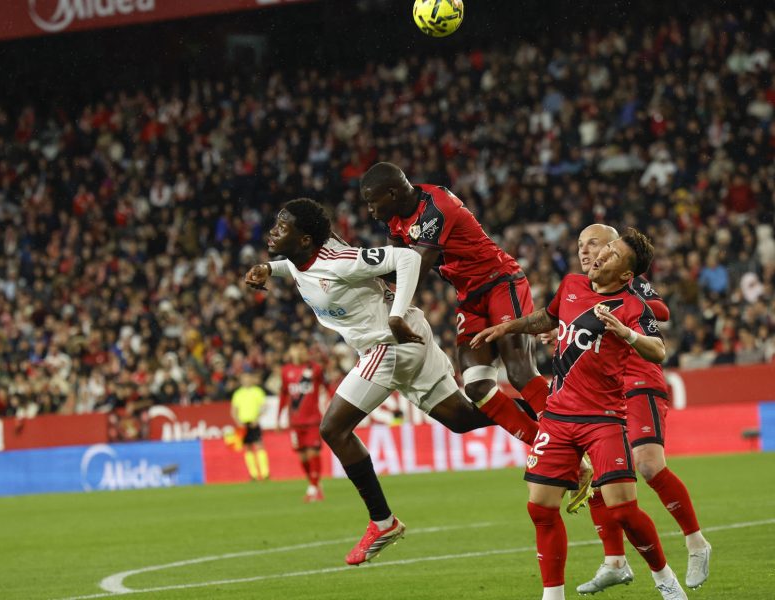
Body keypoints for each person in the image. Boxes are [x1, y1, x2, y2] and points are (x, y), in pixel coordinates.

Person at [244, 198, 523, 566]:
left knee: (333, 429)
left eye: (283, 228)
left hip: (388, 343)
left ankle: (383, 522)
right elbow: (297, 268)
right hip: (408, 338)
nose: (273, 231)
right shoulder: (303, 257)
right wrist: (269, 268)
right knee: (461, 418)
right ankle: (549, 414)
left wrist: (395, 316)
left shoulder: (338, 261)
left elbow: (406, 259)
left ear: (306, 239)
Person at [471, 228, 688, 600]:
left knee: (623, 510)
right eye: (605, 249)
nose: (600, 255)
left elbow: (658, 350)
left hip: (603, 419)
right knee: (540, 508)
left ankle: (665, 579)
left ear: (626, 274)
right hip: (557, 417)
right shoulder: (572, 284)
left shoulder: (632, 306)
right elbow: (547, 317)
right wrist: (509, 326)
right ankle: (553, 596)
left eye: (612, 253)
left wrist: (627, 334)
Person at [566, 225, 711, 594]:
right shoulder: (579, 288)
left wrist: (620, 303)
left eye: (595, 244)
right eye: (581, 245)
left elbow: (660, 311)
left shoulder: (628, 282)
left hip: (637, 378)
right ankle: (614, 561)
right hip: (601, 393)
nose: (586, 252)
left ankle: (696, 542)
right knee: (600, 476)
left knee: (648, 464)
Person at [360, 162, 545, 446]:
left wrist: (359, 269)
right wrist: (347, 261)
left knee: (520, 372)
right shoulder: (394, 219)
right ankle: (544, 446)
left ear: (393, 193)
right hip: (469, 298)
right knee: (477, 388)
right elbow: (395, 268)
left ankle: (573, 434)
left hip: (500, 283)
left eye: (372, 202)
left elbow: (413, 271)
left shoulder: (437, 206)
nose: (370, 210)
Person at [279, 342, 327, 502]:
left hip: (313, 420)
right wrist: (279, 417)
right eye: (295, 348)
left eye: (302, 348)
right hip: (295, 422)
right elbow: (283, 394)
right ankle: (315, 485)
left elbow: (326, 386)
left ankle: (312, 489)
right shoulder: (286, 371)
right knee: (303, 457)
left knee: (313, 453)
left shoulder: (315, 369)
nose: (298, 351)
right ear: (290, 351)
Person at [230, 371, 270, 481]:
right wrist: (238, 422)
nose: (246, 380)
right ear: (241, 381)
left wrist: (257, 418)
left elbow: (264, 406)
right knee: (248, 448)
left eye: (248, 378)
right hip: (243, 424)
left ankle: (265, 473)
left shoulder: (257, 391)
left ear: (251, 379)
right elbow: (234, 410)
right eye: (244, 378)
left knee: (259, 445)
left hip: (254, 422)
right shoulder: (238, 393)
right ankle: (253, 474)